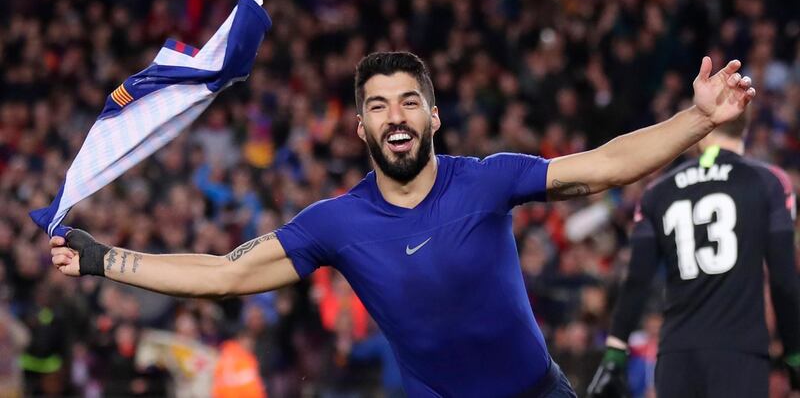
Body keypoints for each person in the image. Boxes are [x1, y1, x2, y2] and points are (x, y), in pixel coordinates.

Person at [50, 51, 755, 397]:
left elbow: (603, 165)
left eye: (410, 101)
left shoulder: (485, 178)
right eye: (379, 105)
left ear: (433, 116)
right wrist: (103, 258)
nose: (396, 115)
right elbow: (227, 275)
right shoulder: (338, 221)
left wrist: (698, 118)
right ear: (360, 127)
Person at [587, 111, 800, 398]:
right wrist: (794, 355)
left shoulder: (656, 192)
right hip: (739, 353)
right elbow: (784, 281)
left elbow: (636, 281)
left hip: (677, 355)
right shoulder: (769, 182)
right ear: (745, 127)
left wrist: (615, 354)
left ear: (699, 129)